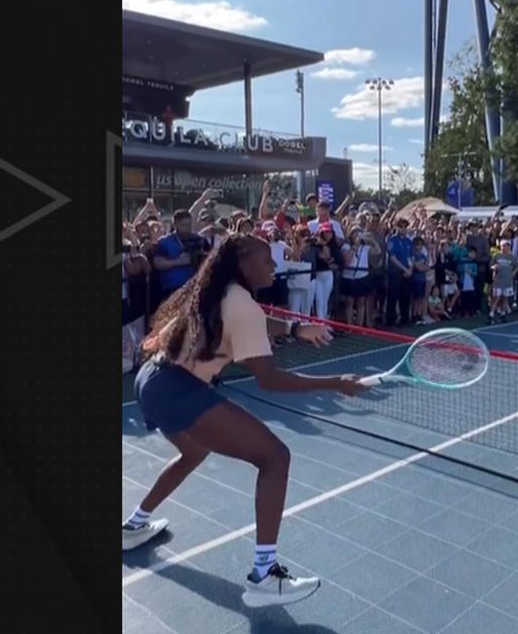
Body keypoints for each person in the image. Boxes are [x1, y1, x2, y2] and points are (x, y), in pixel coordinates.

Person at [127, 235, 368, 606]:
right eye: (266, 261)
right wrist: (337, 383)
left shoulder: (216, 290)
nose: (273, 266)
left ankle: (134, 525)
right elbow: (269, 380)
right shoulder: (243, 305)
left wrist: (293, 329)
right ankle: (264, 576)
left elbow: (252, 319)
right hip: (177, 389)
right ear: (243, 265)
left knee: (192, 454)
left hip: (151, 380)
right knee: (275, 457)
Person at [152, 208, 211, 310]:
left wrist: (201, 257)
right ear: (175, 225)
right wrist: (178, 262)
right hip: (172, 290)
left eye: (189, 225)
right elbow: (158, 263)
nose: (187, 228)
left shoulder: (200, 240)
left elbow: (210, 259)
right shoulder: (164, 242)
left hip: (195, 289)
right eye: (183, 225)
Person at [384, 217, 414, 326]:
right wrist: (405, 269)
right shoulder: (392, 240)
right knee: (393, 296)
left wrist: (410, 269)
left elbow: (411, 256)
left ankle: (404, 318)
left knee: (405, 296)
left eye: (405, 226)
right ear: (396, 227)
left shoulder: (408, 241)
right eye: (401, 226)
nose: (403, 229)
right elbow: (392, 258)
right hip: (395, 272)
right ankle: (390, 319)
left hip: (407, 272)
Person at [489, 239, 518, 324]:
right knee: (497, 298)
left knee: (505, 298)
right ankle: (491, 315)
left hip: (508, 281)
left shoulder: (511, 257)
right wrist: (494, 267)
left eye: (507, 246)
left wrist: (513, 273)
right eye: (503, 246)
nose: (505, 247)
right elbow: (491, 266)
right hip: (498, 281)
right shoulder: (497, 256)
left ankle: (502, 314)